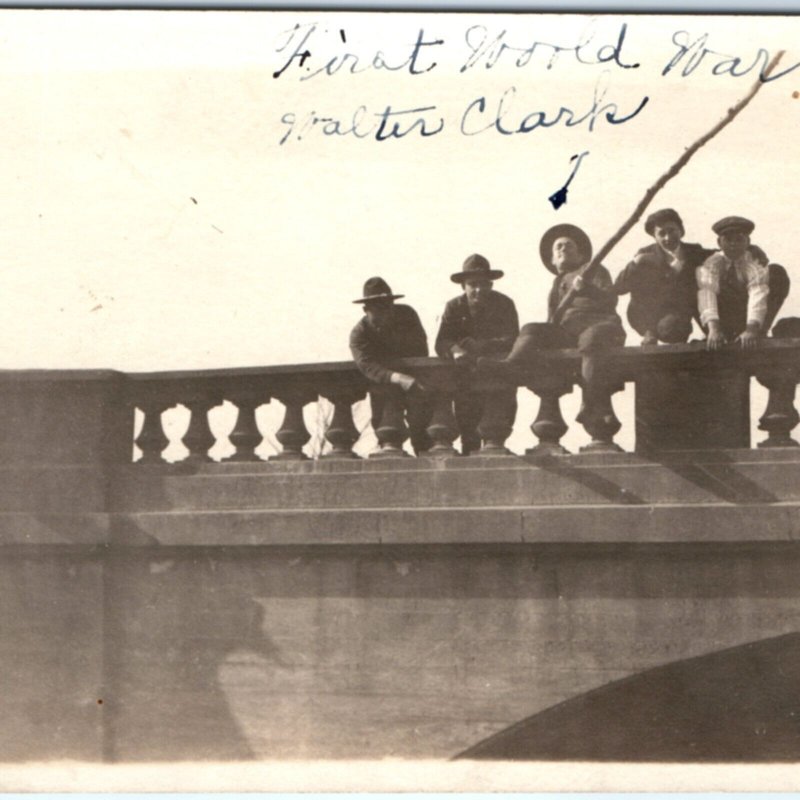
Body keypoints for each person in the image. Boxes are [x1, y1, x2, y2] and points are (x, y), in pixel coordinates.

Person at [479, 223, 625, 424]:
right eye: (558, 247)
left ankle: (590, 400)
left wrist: (588, 289)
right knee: (531, 329)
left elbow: (611, 299)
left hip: (600, 325)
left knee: (591, 340)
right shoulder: (557, 283)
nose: (563, 249)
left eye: (568, 245)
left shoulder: (593, 270)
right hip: (569, 332)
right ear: (553, 260)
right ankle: (511, 365)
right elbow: (552, 319)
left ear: (581, 255)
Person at [435, 253, 519, 455]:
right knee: (468, 433)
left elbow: (514, 339)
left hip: (497, 375)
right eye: (473, 284)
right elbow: (441, 341)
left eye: (484, 284)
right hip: (466, 379)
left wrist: (481, 345)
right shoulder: (454, 307)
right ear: (463, 286)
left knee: (498, 432)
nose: (479, 289)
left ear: (491, 285)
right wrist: (455, 350)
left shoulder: (504, 304)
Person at [349, 276, 432, 454]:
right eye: (376, 308)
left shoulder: (407, 315)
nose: (384, 312)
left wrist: (412, 377)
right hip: (384, 387)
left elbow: (421, 350)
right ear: (365, 310)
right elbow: (367, 365)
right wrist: (396, 377)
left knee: (423, 432)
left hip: (415, 383)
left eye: (387, 306)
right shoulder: (359, 334)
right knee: (386, 434)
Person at [614, 208, 713, 344]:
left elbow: (724, 253)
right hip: (648, 316)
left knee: (674, 328)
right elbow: (619, 288)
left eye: (672, 231)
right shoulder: (645, 254)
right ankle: (650, 334)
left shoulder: (694, 251)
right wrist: (636, 262)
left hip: (678, 317)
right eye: (662, 233)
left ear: (681, 231)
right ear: (654, 237)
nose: (668, 237)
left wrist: (752, 250)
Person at [697, 216, 790, 351]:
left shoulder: (754, 261)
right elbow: (707, 293)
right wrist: (714, 329)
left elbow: (758, 292)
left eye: (739, 239)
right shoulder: (712, 263)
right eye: (728, 240)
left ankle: (760, 332)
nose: (733, 244)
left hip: (747, 315)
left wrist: (751, 329)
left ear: (748, 242)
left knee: (777, 272)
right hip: (723, 316)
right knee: (698, 282)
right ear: (719, 242)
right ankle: (715, 334)